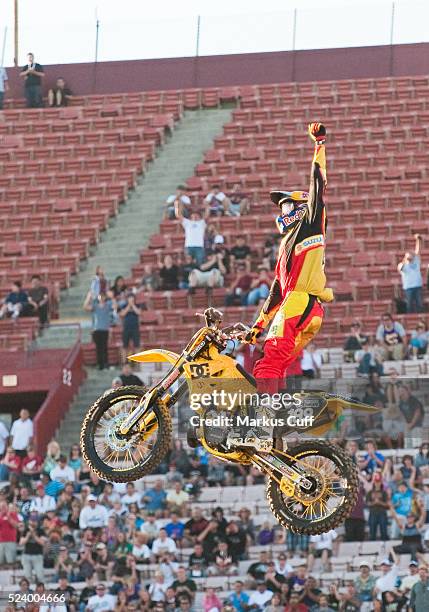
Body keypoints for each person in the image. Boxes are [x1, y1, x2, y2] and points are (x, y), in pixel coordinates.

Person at [245, 123, 332, 394]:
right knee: (279, 364)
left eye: (285, 204)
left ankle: (261, 419)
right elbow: (276, 290)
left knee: (268, 363)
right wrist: (257, 327)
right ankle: (276, 426)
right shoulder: (287, 244)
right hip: (308, 307)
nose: (282, 210)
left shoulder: (310, 221)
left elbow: (318, 184)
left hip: (299, 302)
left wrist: (319, 144)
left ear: (299, 207)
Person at [84, 293, 115, 370]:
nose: (101, 298)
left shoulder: (107, 305)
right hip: (97, 330)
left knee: (104, 347)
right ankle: (100, 364)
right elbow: (85, 307)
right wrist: (88, 297)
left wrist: (112, 297)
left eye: (103, 296)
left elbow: (115, 307)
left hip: (105, 329)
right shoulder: (95, 306)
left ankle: (106, 363)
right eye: (100, 296)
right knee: (98, 348)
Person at [397, 234, 423, 313]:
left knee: (419, 304)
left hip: (418, 285)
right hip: (408, 288)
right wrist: (405, 260)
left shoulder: (416, 261)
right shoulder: (403, 265)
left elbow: (418, 250)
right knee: (409, 305)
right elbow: (400, 268)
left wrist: (418, 241)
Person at [20, 515, 46, 583]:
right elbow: (21, 542)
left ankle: (42, 591)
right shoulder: (26, 530)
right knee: (28, 576)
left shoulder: (41, 531)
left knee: (40, 576)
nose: (32, 523)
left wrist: (34, 536)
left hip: (37, 555)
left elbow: (42, 543)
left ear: (37, 522)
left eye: (34, 521)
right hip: (26, 555)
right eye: (31, 521)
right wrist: (27, 536)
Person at [119, 292, 141, 364]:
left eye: (132, 298)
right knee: (124, 346)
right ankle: (124, 362)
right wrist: (129, 306)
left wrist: (133, 305)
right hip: (126, 328)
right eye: (129, 298)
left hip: (135, 328)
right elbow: (122, 314)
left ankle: (137, 362)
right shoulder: (123, 306)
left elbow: (139, 313)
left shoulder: (137, 305)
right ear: (127, 299)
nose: (131, 299)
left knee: (137, 345)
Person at [0, 500, 19, 567]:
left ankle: (11, 576)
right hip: (1, 542)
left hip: (11, 541)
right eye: (1, 507)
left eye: (4, 506)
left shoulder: (13, 514)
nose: (3, 508)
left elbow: (16, 526)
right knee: (1, 562)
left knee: (11, 562)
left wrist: (9, 518)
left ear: (7, 507)